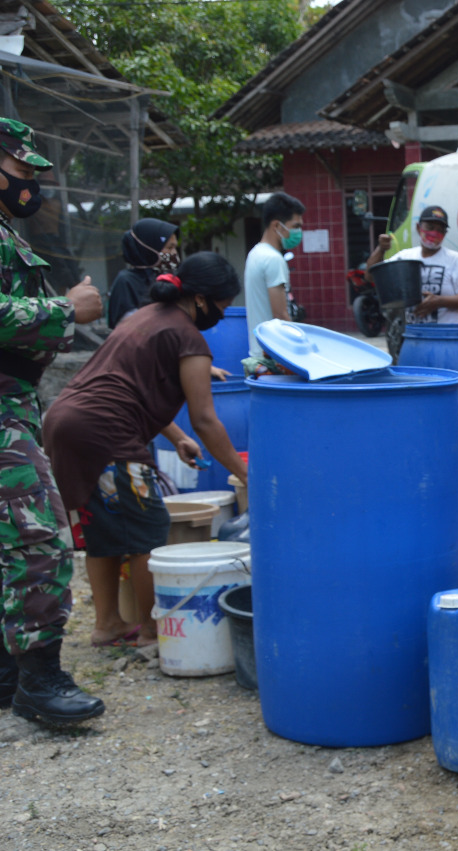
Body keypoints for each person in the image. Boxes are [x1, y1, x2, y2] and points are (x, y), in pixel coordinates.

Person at [44, 252, 249, 649]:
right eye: (222, 305)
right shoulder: (189, 336)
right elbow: (205, 419)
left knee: (102, 531)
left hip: (67, 423)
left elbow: (134, 389)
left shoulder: (147, 315)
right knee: (147, 531)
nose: (223, 315)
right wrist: (245, 475)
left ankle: (108, 624)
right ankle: (153, 630)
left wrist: (175, 437)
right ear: (202, 299)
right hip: (104, 432)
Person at [0, 117, 107, 725]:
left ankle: (10, 672)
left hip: (13, 397)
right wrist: (64, 308)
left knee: (8, 537)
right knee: (35, 533)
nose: (31, 186)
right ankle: (40, 680)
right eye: (22, 171)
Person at [368, 206, 458, 361]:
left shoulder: (455, 260)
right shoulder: (405, 257)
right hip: (414, 341)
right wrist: (380, 249)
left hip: (447, 341)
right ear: (419, 228)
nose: (434, 233)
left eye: (440, 230)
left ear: (445, 234)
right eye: (430, 227)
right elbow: (371, 276)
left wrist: (439, 301)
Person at [245, 192, 303, 361]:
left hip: (258, 352)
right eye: (295, 226)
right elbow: (281, 315)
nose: (298, 232)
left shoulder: (255, 253)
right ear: (277, 226)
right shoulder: (273, 259)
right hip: (273, 356)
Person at [107, 218, 179, 328]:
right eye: (169, 248)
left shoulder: (170, 278)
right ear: (149, 248)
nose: (174, 253)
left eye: (175, 248)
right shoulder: (126, 281)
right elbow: (130, 328)